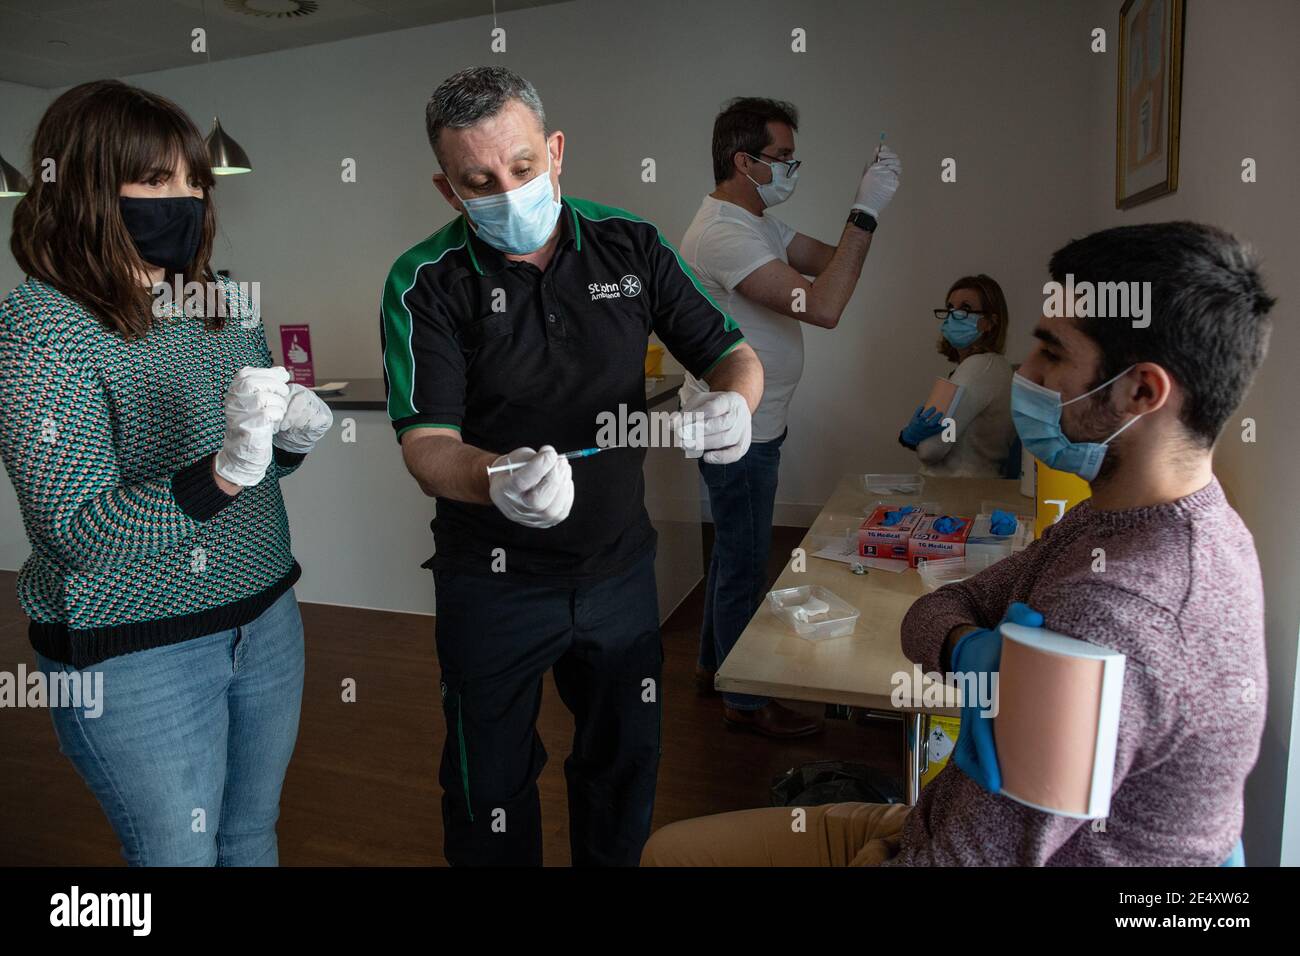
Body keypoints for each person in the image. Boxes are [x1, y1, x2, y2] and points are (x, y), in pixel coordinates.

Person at [641, 221, 1272, 866]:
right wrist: (972, 652)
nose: (1026, 371)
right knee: (670, 851)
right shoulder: (1134, 523)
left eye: (1053, 353)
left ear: (1142, 391)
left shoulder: (1118, 610)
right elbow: (937, 609)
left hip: (947, 847)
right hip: (936, 820)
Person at [379, 66, 763, 866]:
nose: (507, 191)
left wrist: (737, 405)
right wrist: (493, 477)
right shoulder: (423, 283)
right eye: (477, 180)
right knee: (488, 784)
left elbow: (731, 353)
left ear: (555, 151)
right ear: (448, 191)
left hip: (620, 570)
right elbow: (427, 446)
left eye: (521, 167)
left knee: (624, 766)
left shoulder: (630, 241)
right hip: (491, 583)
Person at [0, 80, 333, 866]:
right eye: (155, 181)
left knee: (252, 836)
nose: (185, 200)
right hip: (137, 648)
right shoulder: (42, 326)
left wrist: (284, 445)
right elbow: (77, 532)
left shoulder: (223, 301)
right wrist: (221, 471)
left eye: (194, 182)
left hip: (264, 617)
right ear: (82, 186)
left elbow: (250, 474)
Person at [679, 98, 901, 737]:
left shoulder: (756, 225)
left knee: (732, 549)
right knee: (746, 560)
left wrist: (863, 219)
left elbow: (834, 262)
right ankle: (745, 701)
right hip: (737, 426)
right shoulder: (722, 232)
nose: (791, 169)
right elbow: (826, 306)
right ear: (742, 160)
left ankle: (710, 667)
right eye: (781, 158)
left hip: (758, 420)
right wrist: (867, 210)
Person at [899, 274, 1016, 478]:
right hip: (968, 489)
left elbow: (931, 450)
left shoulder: (978, 367)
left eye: (966, 308)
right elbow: (953, 429)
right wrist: (911, 436)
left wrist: (910, 436)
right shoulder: (993, 367)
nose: (953, 315)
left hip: (958, 492)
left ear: (990, 322)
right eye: (950, 307)